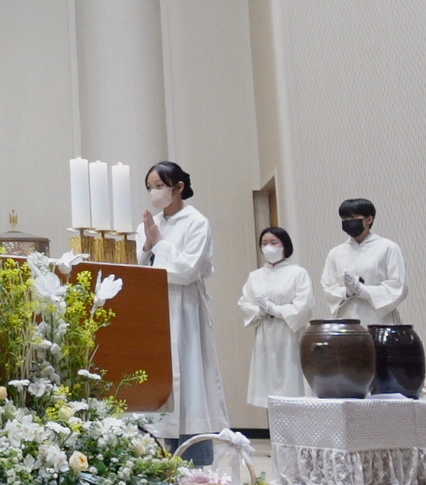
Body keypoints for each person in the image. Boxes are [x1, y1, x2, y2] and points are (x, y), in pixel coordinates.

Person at [136, 161, 228, 466]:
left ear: (178, 187)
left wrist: (160, 244)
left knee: (189, 381)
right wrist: (147, 245)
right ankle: (158, 460)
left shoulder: (196, 222)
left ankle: (195, 461)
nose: (154, 192)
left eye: (160, 186)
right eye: (150, 187)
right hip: (155, 309)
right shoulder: (150, 224)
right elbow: (141, 268)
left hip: (185, 309)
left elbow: (188, 270)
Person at [237, 227, 315, 407]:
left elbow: (304, 306)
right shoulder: (255, 276)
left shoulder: (297, 273)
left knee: (291, 382)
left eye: (274, 242)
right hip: (265, 335)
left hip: (289, 334)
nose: (268, 247)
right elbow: (245, 303)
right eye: (264, 243)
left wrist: (276, 310)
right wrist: (260, 312)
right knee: (268, 387)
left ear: (285, 246)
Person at [320, 198, 407, 325]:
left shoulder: (388, 247)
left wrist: (364, 291)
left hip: (378, 319)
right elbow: (328, 286)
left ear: (369, 219)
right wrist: (346, 292)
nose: (348, 222)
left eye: (353, 218)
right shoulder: (336, 253)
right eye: (344, 218)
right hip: (346, 318)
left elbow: (398, 286)